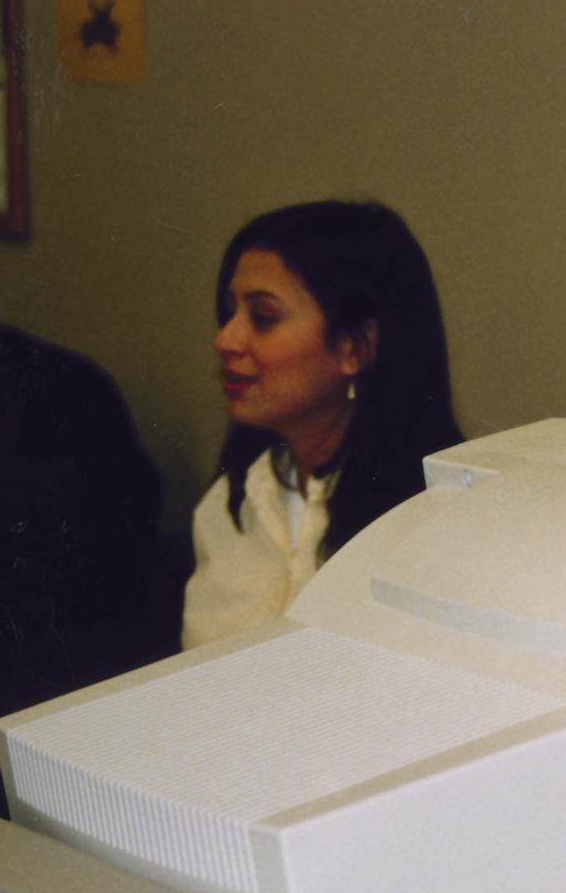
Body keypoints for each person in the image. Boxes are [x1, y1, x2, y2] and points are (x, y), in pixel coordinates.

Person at [182, 200, 462, 648]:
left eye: (263, 317)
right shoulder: (228, 503)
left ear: (357, 347)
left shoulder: (435, 525)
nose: (225, 339)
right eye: (229, 311)